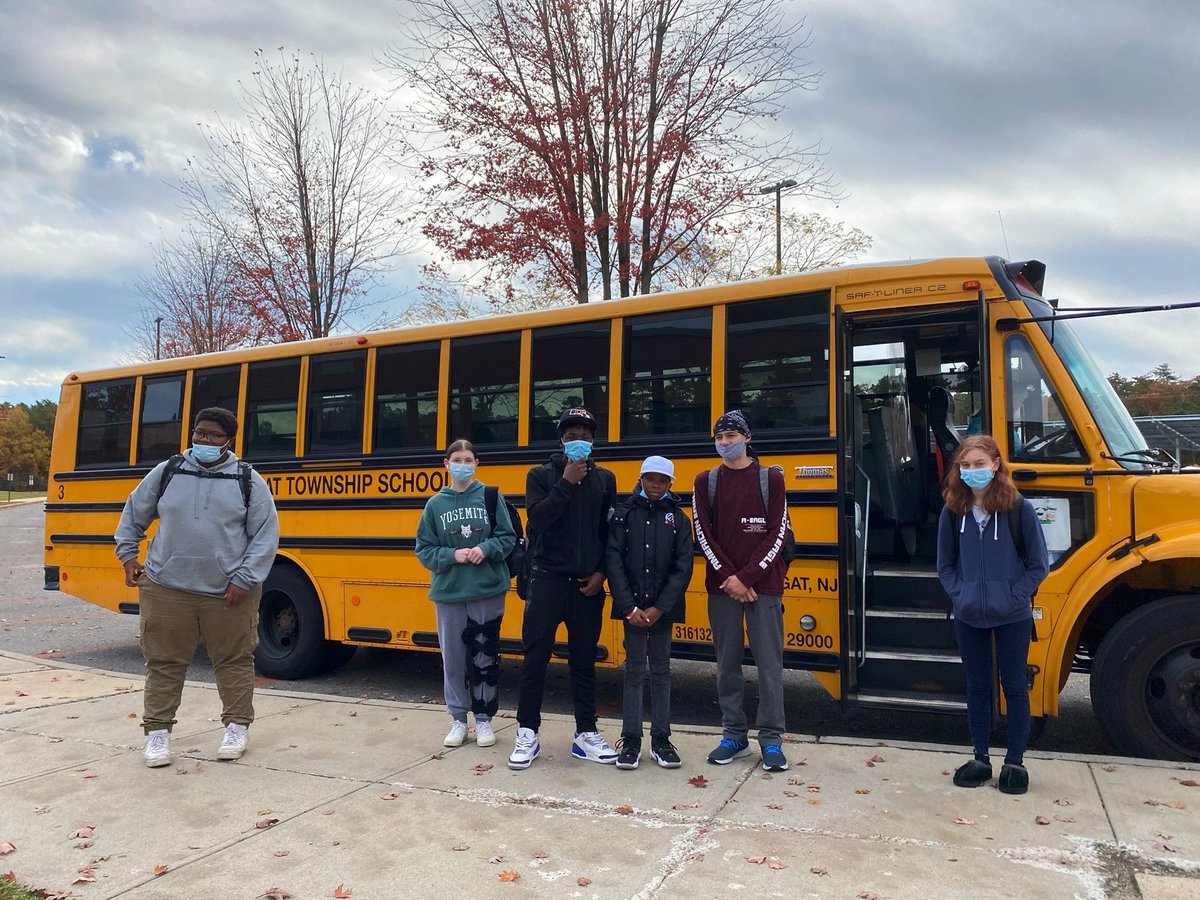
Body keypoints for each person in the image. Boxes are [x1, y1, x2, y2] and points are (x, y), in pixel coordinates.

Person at [114, 407, 279, 768]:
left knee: (234, 660)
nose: (204, 440)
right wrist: (128, 555)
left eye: (213, 436)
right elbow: (134, 512)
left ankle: (237, 727)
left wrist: (244, 579)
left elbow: (266, 535)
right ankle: (157, 734)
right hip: (165, 586)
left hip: (229, 591)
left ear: (229, 441)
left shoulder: (247, 479)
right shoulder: (168, 471)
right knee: (164, 662)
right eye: (199, 433)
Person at [936, 434, 1048, 795]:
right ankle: (980, 758)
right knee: (977, 687)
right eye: (965, 466)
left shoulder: (1018, 508)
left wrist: (1014, 597)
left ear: (996, 465)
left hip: (1013, 615)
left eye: (979, 464)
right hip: (969, 615)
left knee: (1014, 687)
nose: (972, 471)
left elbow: (1038, 565)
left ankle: (1015, 762)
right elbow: (945, 565)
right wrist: (961, 595)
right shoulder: (953, 510)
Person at [509, 407, 618, 770]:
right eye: (571, 435)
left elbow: (610, 534)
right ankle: (527, 732)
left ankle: (585, 732)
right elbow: (536, 520)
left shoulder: (605, 479)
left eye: (585, 435)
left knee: (584, 660)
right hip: (547, 580)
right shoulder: (541, 475)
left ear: (593, 440)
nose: (579, 441)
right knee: (535, 657)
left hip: (587, 585)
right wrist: (567, 481)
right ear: (560, 440)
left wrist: (602, 572)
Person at [692, 410, 791, 772]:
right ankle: (734, 734)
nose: (724, 443)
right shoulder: (706, 481)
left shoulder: (771, 479)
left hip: (762, 587)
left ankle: (771, 740)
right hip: (723, 589)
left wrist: (746, 578)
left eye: (732, 436)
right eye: (719, 437)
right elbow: (703, 534)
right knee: (727, 665)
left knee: (769, 665)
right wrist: (731, 579)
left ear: (747, 438)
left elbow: (778, 534)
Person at [415, 439, 516, 749]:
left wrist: (484, 549)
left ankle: (484, 719)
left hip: (487, 588)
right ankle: (459, 719)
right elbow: (424, 549)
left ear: (476, 463)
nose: (462, 464)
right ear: (446, 464)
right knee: (454, 659)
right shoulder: (435, 504)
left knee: (485, 655)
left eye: (467, 459)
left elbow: (507, 537)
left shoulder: (490, 496)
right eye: (456, 459)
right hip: (449, 592)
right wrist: (452, 556)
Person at [606, 455, 692, 770]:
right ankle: (630, 739)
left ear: (671, 484)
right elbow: (613, 560)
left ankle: (661, 740)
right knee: (632, 672)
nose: (656, 485)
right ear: (641, 479)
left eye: (663, 481)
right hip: (632, 610)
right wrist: (629, 606)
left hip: (661, 611)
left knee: (661, 672)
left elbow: (682, 567)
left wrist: (659, 607)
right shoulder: (624, 514)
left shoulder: (678, 519)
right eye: (651, 479)